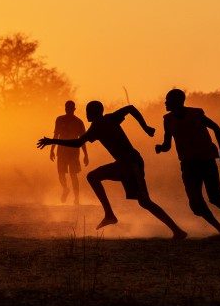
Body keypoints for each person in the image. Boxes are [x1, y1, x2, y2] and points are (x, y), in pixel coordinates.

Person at [38, 101, 187, 239]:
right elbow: (130, 108)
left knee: (144, 201)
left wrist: (52, 141)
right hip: (125, 163)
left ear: (95, 112)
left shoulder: (102, 123)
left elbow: (78, 142)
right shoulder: (106, 121)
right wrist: (145, 127)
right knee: (96, 178)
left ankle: (176, 230)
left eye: (88, 111)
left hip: (131, 162)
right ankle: (110, 215)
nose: (86, 113)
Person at [155, 89, 220, 237]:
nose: (165, 102)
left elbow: (216, 128)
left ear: (178, 101)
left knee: (215, 197)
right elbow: (167, 144)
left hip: (206, 160)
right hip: (188, 164)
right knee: (196, 204)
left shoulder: (196, 114)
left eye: (168, 100)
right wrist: (161, 148)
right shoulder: (168, 120)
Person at [49, 101, 89, 204]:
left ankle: (76, 198)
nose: (68, 109)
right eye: (67, 107)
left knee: (73, 175)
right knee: (61, 173)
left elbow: (82, 140)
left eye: (70, 108)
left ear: (74, 109)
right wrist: (52, 150)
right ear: (65, 108)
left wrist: (86, 155)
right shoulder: (59, 119)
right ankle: (66, 188)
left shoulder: (79, 122)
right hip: (62, 151)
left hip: (73, 152)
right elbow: (56, 135)